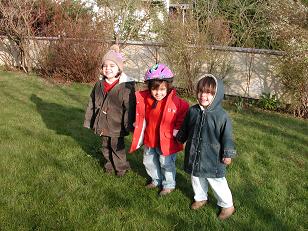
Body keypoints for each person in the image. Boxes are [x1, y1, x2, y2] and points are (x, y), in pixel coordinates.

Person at [176, 74, 236, 220]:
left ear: (217, 95)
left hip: (212, 157)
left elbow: (227, 136)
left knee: (216, 181)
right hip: (194, 153)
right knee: (196, 177)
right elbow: (186, 127)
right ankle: (201, 197)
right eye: (201, 91)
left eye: (209, 93)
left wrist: (227, 153)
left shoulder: (221, 116)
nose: (204, 95)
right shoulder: (193, 111)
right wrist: (181, 139)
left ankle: (227, 205)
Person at [130, 63, 189, 196]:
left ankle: (168, 184)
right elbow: (140, 113)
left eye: (162, 89)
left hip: (167, 141)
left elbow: (183, 115)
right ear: (150, 88)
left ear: (168, 87)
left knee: (166, 163)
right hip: (150, 138)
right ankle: (156, 179)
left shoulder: (178, 103)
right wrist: (137, 123)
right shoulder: (145, 100)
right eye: (155, 89)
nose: (158, 93)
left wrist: (177, 129)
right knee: (149, 161)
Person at [83, 44, 135, 177]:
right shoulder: (99, 84)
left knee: (117, 148)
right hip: (102, 123)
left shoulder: (125, 87)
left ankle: (121, 168)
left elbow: (130, 107)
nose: (108, 69)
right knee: (105, 146)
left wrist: (128, 125)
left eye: (112, 66)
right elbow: (92, 102)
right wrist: (89, 120)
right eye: (105, 66)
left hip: (116, 124)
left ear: (119, 69)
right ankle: (109, 166)